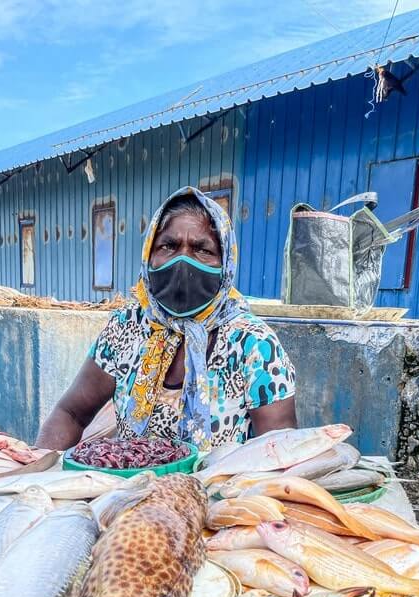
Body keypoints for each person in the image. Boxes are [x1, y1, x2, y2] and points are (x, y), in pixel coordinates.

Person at [37, 187, 296, 453]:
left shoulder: (254, 345)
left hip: (220, 493)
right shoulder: (126, 327)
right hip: (132, 490)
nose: (183, 260)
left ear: (225, 263)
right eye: (169, 246)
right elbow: (71, 414)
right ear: (149, 254)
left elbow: (278, 457)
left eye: (202, 249)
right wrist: (36, 471)